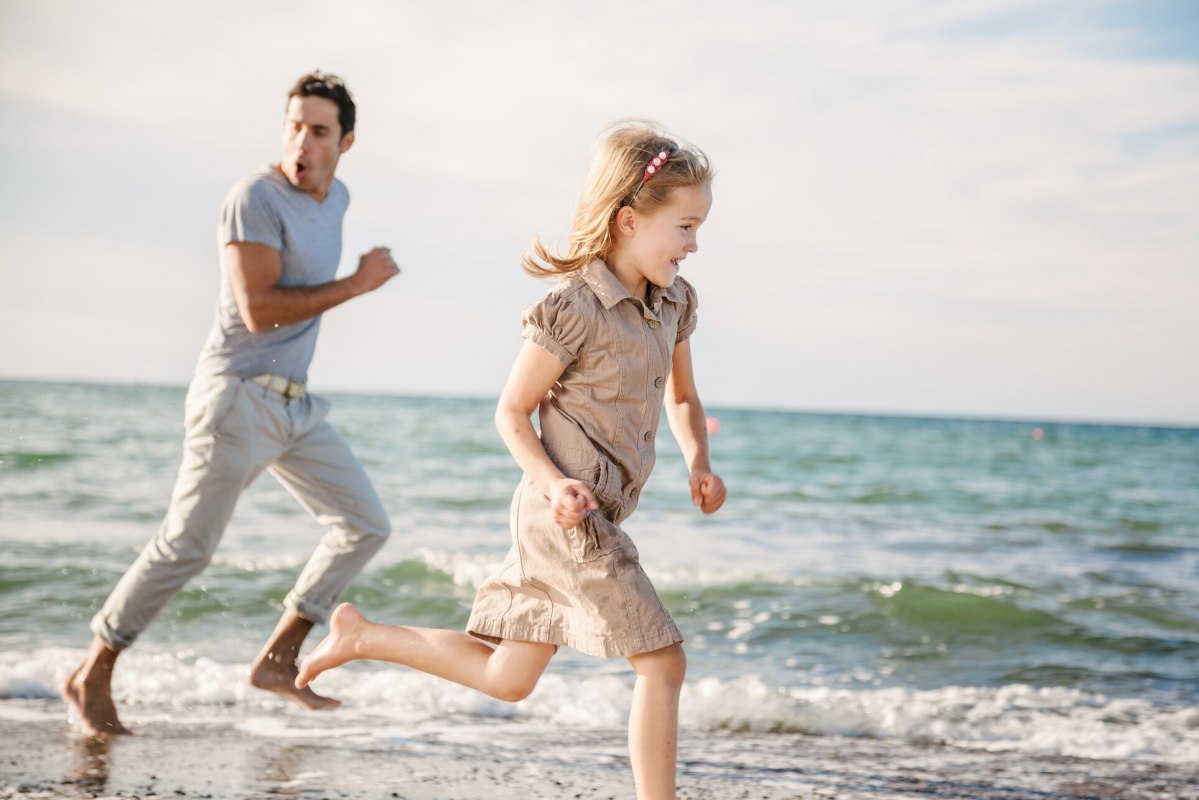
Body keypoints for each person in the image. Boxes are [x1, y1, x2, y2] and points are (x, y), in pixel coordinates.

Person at [295, 121, 727, 800]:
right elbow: (511, 411)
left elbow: (684, 395)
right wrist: (555, 483)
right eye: (684, 226)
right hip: (560, 513)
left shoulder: (673, 303)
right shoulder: (573, 309)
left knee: (508, 679)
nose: (694, 243)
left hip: (595, 511)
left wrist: (698, 458)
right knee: (662, 663)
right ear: (626, 221)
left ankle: (362, 637)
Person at [63, 71, 400, 737]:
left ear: (346, 141)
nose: (303, 141)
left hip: (295, 407)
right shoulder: (254, 198)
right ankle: (92, 671)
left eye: (319, 130)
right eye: (295, 126)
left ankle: (277, 659)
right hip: (237, 400)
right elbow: (261, 309)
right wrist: (357, 285)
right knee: (186, 547)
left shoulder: (337, 199)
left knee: (365, 523)